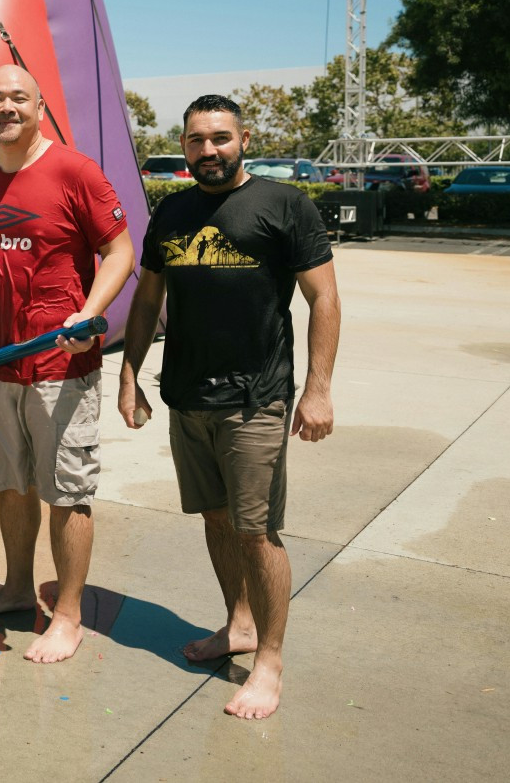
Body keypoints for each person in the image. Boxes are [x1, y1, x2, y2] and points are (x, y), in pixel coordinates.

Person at [118, 93, 339, 720]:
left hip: (256, 399)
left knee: (258, 531)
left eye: (220, 138)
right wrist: (131, 373)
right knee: (216, 519)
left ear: (243, 138)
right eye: (196, 140)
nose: (208, 151)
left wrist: (318, 388)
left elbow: (323, 298)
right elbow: (146, 300)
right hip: (188, 396)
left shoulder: (284, 205)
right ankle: (238, 624)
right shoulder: (172, 211)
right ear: (184, 145)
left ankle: (268, 662)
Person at [0, 65, 134, 663]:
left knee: (67, 494)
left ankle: (71, 614)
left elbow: (120, 250)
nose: (8, 108)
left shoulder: (75, 171)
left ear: (39, 107)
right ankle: (15, 587)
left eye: (19, 98)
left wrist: (87, 313)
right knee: (12, 486)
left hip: (62, 368)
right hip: (0, 366)